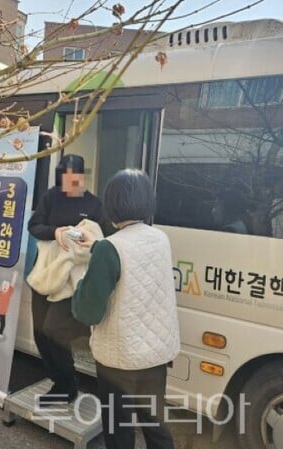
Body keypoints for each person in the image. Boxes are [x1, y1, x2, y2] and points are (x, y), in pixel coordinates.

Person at [72, 169, 180, 449]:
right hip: (156, 355)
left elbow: (87, 312)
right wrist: (97, 246)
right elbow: (132, 261)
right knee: (155, 426)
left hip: (121, 360)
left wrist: (79, 280)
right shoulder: (159, 238)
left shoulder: (111, 248)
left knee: (119, 432)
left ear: (112, 205)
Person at [27, 154, 103, 403]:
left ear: (81, 177)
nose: (68, 185)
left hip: (73, 279)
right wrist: (55, 231)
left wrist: (84, 240)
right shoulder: (51, 196)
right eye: (64, 179)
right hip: (47, 273)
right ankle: (58, 379)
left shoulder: (93, 204)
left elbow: (103, 240)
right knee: (39, 331)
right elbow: (34, 226)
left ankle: (67, 385)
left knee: (53, 330)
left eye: (73, 179)